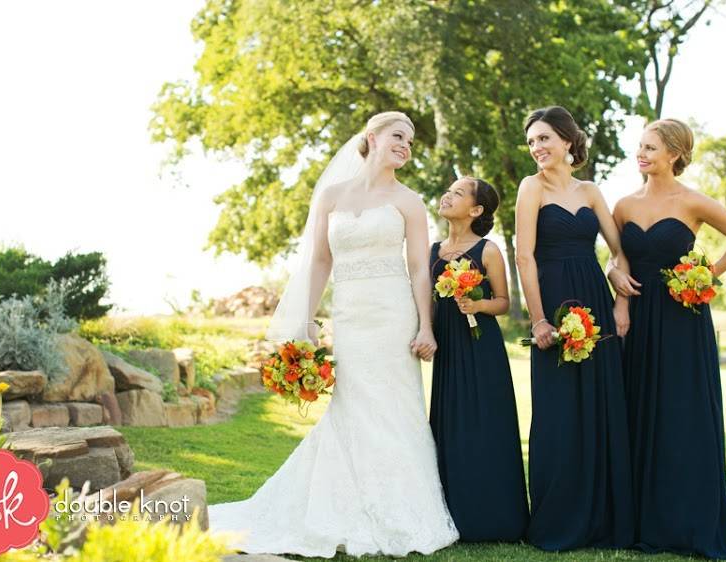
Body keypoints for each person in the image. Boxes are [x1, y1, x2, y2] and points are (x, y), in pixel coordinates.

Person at [207, 111, 459, 557]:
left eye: (411, 142)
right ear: (372, 137)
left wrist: (426, 325)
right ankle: (342, 505)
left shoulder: (409, 201)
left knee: (395, 408)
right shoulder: (332, 195)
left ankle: (399, 511)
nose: (406, 145)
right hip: (350, 315)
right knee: (352, 406)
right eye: (399, 136)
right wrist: (306, 316)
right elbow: (320, 261)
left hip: (393, 314)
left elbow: (420, 267)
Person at [612, 118, 726, 560]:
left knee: (682, 416)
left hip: (682, 319)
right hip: (637, 320)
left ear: (674, 154)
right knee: (639, 411)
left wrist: (705, 275)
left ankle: (689, 523)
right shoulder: (623, 206)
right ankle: (643, 521)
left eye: (651, 148)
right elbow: (618, 261)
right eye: (640, 147)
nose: (642, 154)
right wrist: (615, 281)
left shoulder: (692, 202)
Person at [515, 105, 634, 551]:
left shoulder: (590, 191)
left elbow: (619, 250)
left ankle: (604, 519)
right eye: (531, 142)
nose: (537, 148)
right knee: (559, 411)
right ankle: (558, 519)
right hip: (554, 296)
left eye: (544, 138)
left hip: (595, 302)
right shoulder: (531, 187)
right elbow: (524, 256)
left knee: (601, 405)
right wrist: (539, 318)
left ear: (567, 141)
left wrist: (618, 293)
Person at [429, 176, 529, 542]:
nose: (447, 195)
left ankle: (494, 518)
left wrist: (477, 304)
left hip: (481, 347)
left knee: (486, 427)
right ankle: (452, 516)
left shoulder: (488, 250)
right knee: (450, 427)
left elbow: (504, 302)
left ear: (475, 210)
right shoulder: (432, 250)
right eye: (448, 190)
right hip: (449, 350)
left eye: (457, 193)